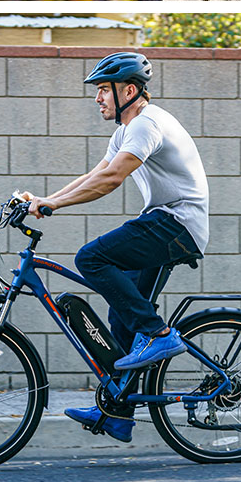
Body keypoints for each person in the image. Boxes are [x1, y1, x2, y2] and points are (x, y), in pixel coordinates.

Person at [18, 51, 209, 443]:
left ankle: (158, 335)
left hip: (176, 223)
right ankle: (117, 411)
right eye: (98, 90)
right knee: (122, 316)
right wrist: (44, 199)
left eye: (104, 89)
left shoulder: (147, 124)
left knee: (91, 257)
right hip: (165, 221)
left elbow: (112, 180)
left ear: (130, 90)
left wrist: (53, 205)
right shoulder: (125, 131)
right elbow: (96, 173)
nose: (97, 97)